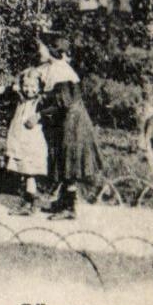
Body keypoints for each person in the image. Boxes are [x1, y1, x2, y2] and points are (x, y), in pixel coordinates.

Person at [37, 32, 102, 218]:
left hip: (73, 124)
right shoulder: (54, 68)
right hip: (67, 121)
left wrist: (39, 115)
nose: (38, 50)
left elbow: (62, 103)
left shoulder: (60, 71)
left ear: (51, 49)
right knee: (64, 159)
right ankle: (63, 201)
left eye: (41, 47)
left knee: (69, 161)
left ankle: (70, 207)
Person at [2, 67, 49, 211]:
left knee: (29, 170)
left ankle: (30, 201)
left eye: (33, 86)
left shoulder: (39, 102)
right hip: (19, 140)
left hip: (31, 142)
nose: (29, 90)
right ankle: (29, 199)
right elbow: (13, 89)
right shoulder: (21, 99)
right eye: (26, 86)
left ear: (39, 87)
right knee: (24, 171)